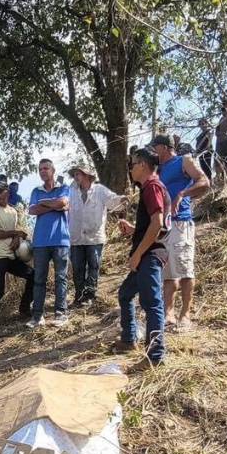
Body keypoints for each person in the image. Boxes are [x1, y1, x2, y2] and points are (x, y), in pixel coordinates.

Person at [114, 147, 170, 366]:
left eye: (134, 164)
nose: (131, 168)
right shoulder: (151, 188)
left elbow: (157, 224)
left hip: (149, 256)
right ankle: (129, 339)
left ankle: (155, 356)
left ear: (144, 165)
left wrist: (137, 254)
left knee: (152, 303)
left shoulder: (152, 187)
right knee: (125, 294)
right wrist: (135, 229)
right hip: (147, 254)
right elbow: (154, 224)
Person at [151, 134, 209, 331]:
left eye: (155, 147)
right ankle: (169, 314)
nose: (153, 151)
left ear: (165, 147)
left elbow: (204, 182)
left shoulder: (183, 160)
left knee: (184, 269)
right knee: (168, 271)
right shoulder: (158, 169)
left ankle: (186, 314)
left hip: (181, 222)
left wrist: (182, 194)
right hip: (164, 225)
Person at [67, 160, 125, 308]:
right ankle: (79, 295)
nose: (76, 176)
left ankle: (90, 295)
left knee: (94, 266)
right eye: (74, 174)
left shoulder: (99, 190)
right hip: (76, 237)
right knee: (78, 267)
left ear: (87, 175)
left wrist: (122, 199)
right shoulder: (70, 191)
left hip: (95, 237)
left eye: (78, 173)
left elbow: (113, 201)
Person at [0, 182, 34, 336]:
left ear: (7, 192)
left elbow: (15, 235)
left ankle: (24, 308)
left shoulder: (13, 211)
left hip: (10, 255)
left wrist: (17, 236)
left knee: (33, 275)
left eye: (0, 192)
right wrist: (16, 233)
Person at [27, 158, 72, 328]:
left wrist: (45, 204)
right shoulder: (36, 190)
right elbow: (32, 210)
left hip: (60, 239)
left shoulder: (64, 188)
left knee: (61, 278)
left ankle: (61, 314)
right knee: (39, 279)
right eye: (40, 169)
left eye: (46, 168)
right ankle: (37, 317)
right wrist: (55, 205)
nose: (43, 171)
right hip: (40, 241)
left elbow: (63, 202)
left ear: (53, 171)